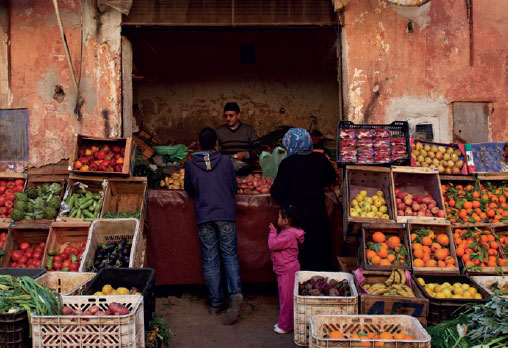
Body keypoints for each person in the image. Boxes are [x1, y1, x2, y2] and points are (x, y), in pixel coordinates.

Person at [184, 127, 243, 326]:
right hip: (225, 213)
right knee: (229, 254)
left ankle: (216, 302)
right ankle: (235, 295)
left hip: (205, 215)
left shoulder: (191, 165)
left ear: (198, 144)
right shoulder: (226, 162)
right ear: (217, 143)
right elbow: (234, 188)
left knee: (210, 258)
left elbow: (189, 191)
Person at [270, 128, 337, 271]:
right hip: (318, 216)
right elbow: (332, 177)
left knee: (301, 258)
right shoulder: (320, 159)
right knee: (319, 256)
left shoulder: (287, 164)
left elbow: (276, 192)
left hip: (296, 219)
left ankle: (299, 289)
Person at [268, 205, 305, 334]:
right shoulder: (288, 232)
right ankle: (285, 322)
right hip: (285, 269)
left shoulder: (287, 236)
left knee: (287, 299)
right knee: (285, 297)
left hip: (287, 271)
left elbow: (272, 245)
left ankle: (286, 326)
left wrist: (273, 232)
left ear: (285, 221)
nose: (277, 218)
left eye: (279, 217)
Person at [216, 102, 260, 175]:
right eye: (225, 116)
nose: (228, 118)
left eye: (231, 116)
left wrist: (245, 154)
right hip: (225, 171)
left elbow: (258, 150)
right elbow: (214, 151)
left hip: (246, 172)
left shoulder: (249, 130)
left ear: (238, 115)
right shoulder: (219, 131)